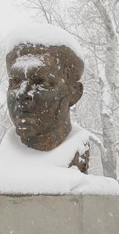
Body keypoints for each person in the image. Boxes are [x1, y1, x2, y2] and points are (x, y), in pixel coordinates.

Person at [5, 24, 89, 172]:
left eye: (41, 82)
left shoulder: (75, 161)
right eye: (15, 82)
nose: (22, 94)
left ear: (74, 93)